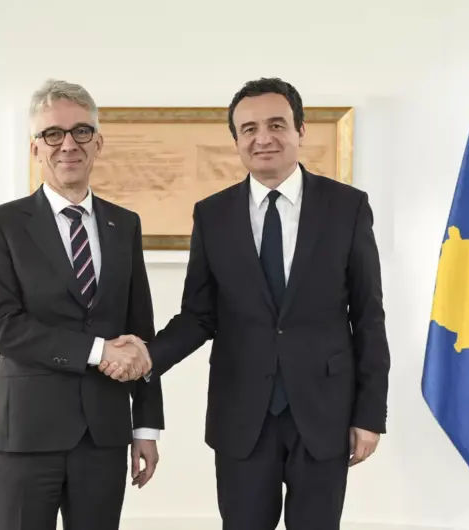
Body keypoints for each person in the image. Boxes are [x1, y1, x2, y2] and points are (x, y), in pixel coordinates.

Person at [104, 77, 390, 529]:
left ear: (300, 130)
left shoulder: (347, 207)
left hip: (323, 413)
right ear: (237, 140)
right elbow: (200, 315)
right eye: (249, 129)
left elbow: (369, 316)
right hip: (241, 416)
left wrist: (370, 414)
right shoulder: (212, 214)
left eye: (276, 124)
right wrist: (147, 357)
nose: (263, 138)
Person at [0, 79, 164, 530]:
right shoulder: (2, 224)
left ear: (98, 142)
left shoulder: (125, 224)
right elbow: (1, 326)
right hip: (23, 436)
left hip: (103, 437)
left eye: (81, 131)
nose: (68, 144)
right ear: (35, 148)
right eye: (52, 134)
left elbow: (141, 331)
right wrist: (98, 351)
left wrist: (146, 426)